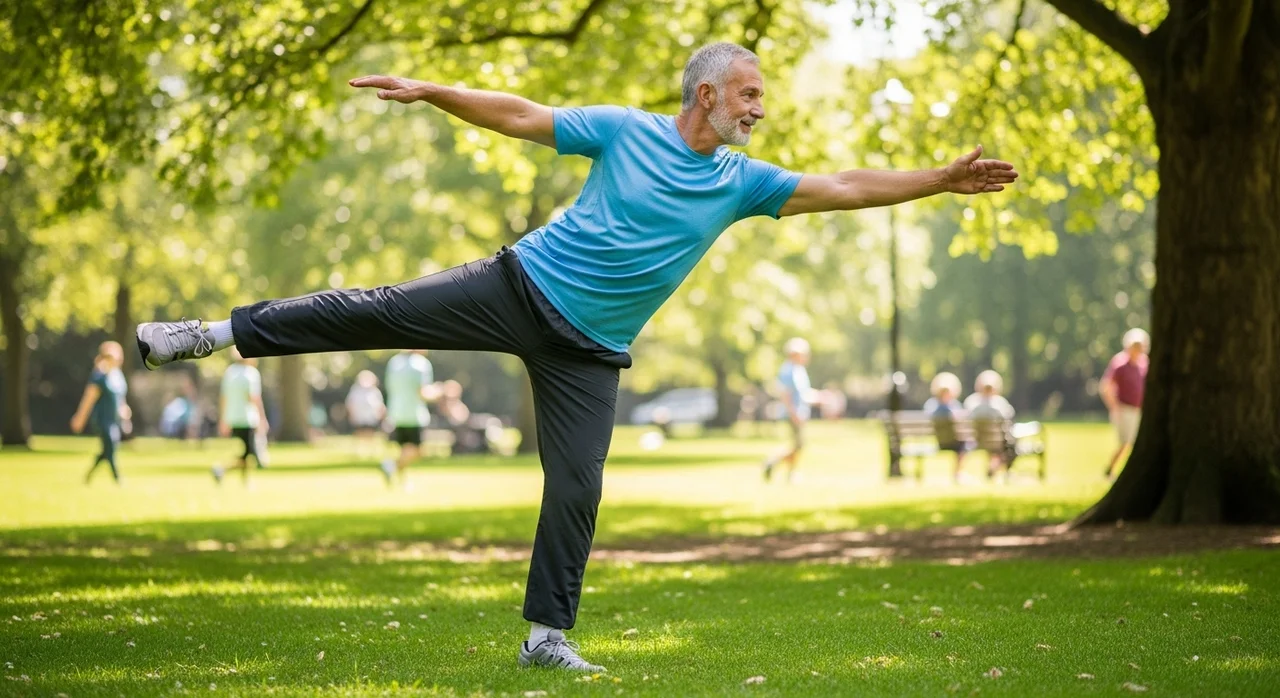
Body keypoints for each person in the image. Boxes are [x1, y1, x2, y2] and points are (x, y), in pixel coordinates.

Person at [134, 42, 1017, 671]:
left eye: (760, 96)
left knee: (580, 485)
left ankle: (544, 636)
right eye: (747, 93)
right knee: (381, 309)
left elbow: (848, 185)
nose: (759, 108)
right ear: (704, 94)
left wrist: (936, 181)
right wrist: (434, 91)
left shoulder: (741, 183)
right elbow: (520, 114)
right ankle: (210, 335)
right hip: (516, 287)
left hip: (591, 353)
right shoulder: (625, 130)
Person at [71, 341, 128, 485]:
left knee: (108, 449)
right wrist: (80, 418)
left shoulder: (118, 376)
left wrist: (126, 415)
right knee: (110, 446)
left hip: (114, 420)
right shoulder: (99, 377)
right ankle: (117, 479)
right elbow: (88, 399)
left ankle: (89, 476)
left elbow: (120, 399)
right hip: (102, 420)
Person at [212, 349, 270, 484]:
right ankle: (222, 469)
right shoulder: (251, 374)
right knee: (249, 453)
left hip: (232, 417)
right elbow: (254, 398)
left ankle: (245, 481)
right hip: (248, 418)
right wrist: (262, 418)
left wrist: (223, 419)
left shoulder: (229, 372)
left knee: (245, 452)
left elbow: (224, 398)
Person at [380, 350, 435, 487]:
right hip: (414, 415)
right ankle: (390, 465)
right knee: (417, 450)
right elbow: (423, 393)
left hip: (396, 413)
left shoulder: (394, 362)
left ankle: (402, 482)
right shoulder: (421, 364)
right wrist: (441, 392)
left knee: (404, 450)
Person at [762, 337, 812, 483]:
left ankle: (790, 473)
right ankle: (773, 462)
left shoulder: (798, 369)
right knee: (798, 445)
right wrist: (793, 413)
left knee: (798, 445)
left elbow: (803, 393)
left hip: (799, 412)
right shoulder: (788, 370)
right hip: (793, 413)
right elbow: (785, 395)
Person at [1101, 327, 1149, 479]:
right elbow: (1106, 386)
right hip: (1125, 409)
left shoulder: (1143, 364)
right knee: (1126, 443)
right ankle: (1112, 469)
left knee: (1133, 443)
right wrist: (1115, 407)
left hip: (1138, 409)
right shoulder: (1120, 363)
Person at [963, 369, 1016, 476]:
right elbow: (1009, 418)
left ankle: (993, 467)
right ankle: (999, 468)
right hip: (998, 442)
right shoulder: (1000, 403)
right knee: (1010, 445)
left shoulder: (971, 402)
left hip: (976, 441)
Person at [924, 372, 972, 481]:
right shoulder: (953, 406)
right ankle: (958, 472)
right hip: (953, 442)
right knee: (966, 444)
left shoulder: (930, 405)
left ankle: (958, 473)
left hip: (939, 442)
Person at [345, 369, 386, 458]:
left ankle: (371, 452)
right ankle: (358, 452)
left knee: (370, 434)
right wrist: (351, 414)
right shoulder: (355, 390)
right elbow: (350, 403)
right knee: (359, 433)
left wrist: (381, 413)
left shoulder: (375, 391)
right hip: (359, 416)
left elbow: (380, 404)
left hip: (371, 416)